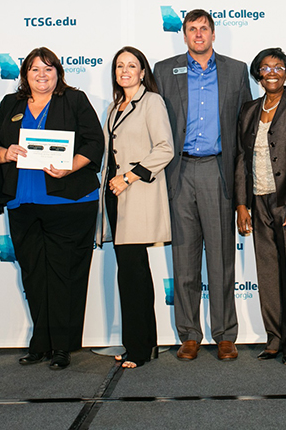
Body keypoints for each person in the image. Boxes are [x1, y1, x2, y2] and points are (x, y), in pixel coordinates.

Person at [0, 47, 104, 371]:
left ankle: (62, 346)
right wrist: (4, 153)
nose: (41, 75)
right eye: (35, 70)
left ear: (58, 73)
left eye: (48, 69)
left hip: (69, 203)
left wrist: (71, 167)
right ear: (25, 74)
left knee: (63, 276)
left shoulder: (74, 101)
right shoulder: (11, 104)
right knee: (34, 275)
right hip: (23, 204)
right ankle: (41, 343)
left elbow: (95, 143)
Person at [154, 9, 252, 362]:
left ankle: (225, 334)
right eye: (192, 29)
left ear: (214, 34)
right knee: (184, 260)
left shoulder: (235, 70)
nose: (198, 34)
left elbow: (245, 128)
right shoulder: (164, 70)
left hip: (217, 170)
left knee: (223, 258)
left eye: (204, 29)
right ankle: (189, 334)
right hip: (179, 171)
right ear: (183, 36)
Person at [235, 48, 286, 364]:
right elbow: (241, 158)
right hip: (258, 202)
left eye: (278, 67)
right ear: (258, 73)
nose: (272, 72)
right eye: (266, 67)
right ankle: (275, 338)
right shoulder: (248, 110)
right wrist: (242, 204)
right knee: (268, 273)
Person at [99, 47, 174, 369]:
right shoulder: (116, 106)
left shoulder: (152, 102)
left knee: (134, 275)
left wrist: (129, 177)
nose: (125, 70)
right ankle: (141, 344)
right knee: (131, 273)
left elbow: (165, 148)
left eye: (132, 65)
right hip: (115, 197)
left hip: (136, 193)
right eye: (120, 66)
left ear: (143, 72)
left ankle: (140, 350)